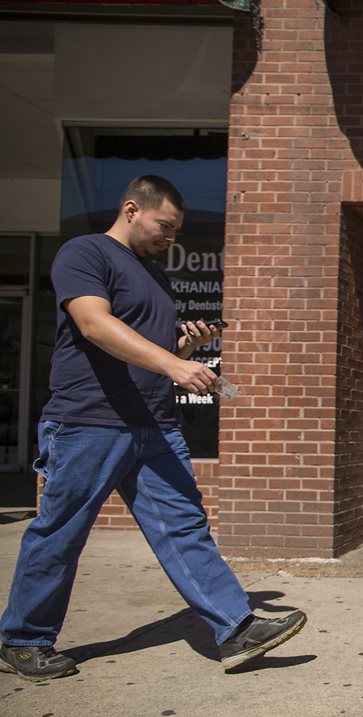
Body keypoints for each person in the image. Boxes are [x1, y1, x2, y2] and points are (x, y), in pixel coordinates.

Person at [0, 176, 306, 682]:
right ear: (131, 210)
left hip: (155, 424)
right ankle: (24, 639)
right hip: (89, 421)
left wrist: (185, 348)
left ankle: (235, 628)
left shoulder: (155, 275)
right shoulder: (85, 253)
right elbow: (94, 324)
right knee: (61, 531)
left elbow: (153, 351)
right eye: (164, 226)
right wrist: (173, 365)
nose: (171, 237)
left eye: (176, 230)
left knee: (185, 526)